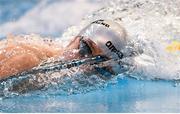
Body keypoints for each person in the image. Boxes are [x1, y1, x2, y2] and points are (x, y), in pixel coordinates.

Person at [0, 19, 128, 80]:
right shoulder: (25, 59)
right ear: (75, 38)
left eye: (99, 65)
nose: (86, 66)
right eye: (85, 49)